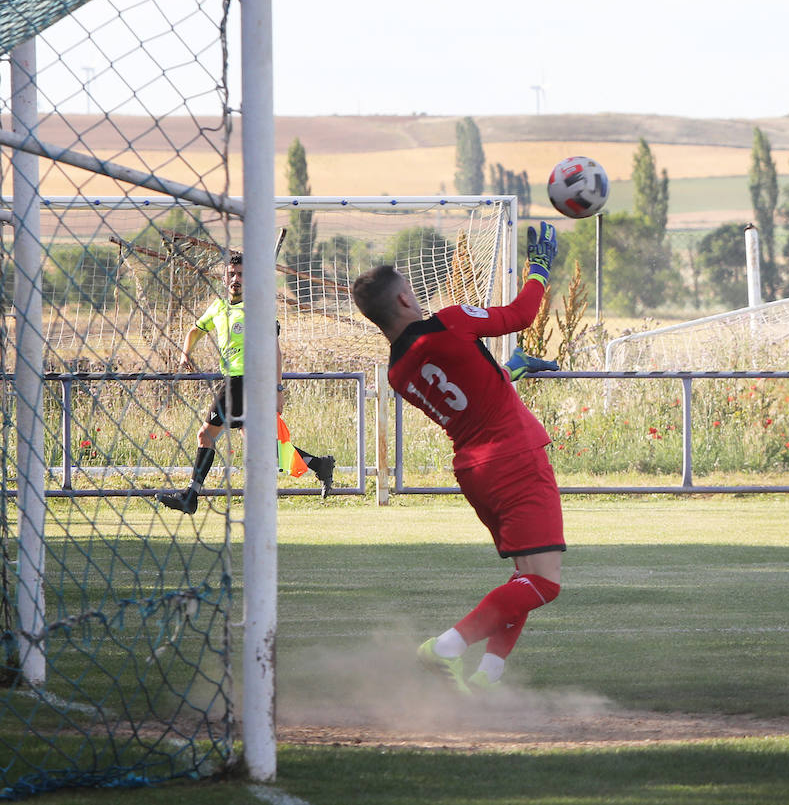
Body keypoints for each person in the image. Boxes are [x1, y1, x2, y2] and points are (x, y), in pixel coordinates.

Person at [350, 222, 563, 693]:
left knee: (523, 578)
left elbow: (467, 390)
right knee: (544, 583)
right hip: (516, 458)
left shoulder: (397, 372)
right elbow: (521, 315)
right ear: (404, 299)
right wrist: (540, 268)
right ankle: (447, 647)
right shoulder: (448, 322)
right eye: (411, 289)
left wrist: (508, 371)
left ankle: (489, 677)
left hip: (475, 470)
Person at [157, 252, 334, 514]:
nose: (235, 279)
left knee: (206, 435)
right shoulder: (218, 307)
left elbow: (275, 351)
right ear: (224, 278)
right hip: (235, 381)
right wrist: (185, 354)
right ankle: (319, 464)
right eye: (231, 274)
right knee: (259, 444)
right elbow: (195, 330)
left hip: (246, 381)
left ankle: (191, 496)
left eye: (241, 275)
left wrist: (278, 389)